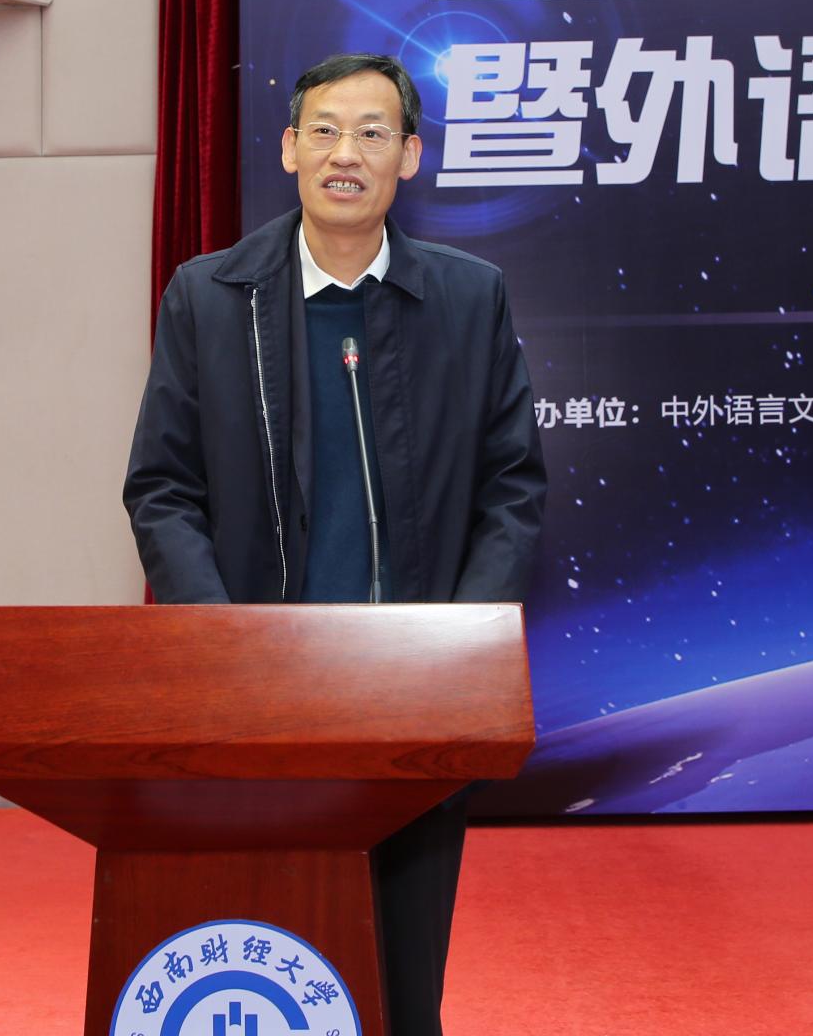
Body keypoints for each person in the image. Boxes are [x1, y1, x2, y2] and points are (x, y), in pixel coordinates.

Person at [124, 52, 547, 1034]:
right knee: (269, 954)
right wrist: (223, 643)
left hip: (412, 699)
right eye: (323, 130)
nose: (344, 153)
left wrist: (457, 650)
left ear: (410, 155)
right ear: (288, 148)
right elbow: (162, 486)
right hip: (258, 700)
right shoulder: (211, 296)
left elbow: (513, 486)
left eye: (371, 133)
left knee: (401, 974)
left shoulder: (468, 298)